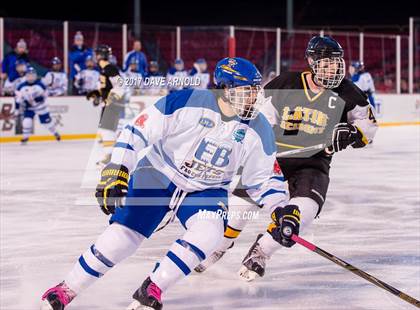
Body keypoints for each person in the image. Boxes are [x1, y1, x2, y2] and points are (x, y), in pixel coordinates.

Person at [40, 57, 288, 310]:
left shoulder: (260, 129)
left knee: (210, 232)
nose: (253, 97)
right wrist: (118, 167)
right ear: (225, 89)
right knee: (122, 237)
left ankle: (154, 286)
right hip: (158, 173)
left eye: (256, 90)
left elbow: (263, 179)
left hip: (207, 189)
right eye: (247, 91)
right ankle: (66, 289)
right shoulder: (188, 101)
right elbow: (137, 131)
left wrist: (279, 210)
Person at [195, 36, 378, 282]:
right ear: (312, 63)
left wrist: (353, 133)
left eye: (336, 63)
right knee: (239, 210)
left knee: (304, 212)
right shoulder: (288, 83)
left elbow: (369, 125)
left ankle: (261, 251)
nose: (333, 69)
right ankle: (220, 245)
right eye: (326, 63)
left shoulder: (348, 92)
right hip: (273, 158)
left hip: (313, 164)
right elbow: (260, 114)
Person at [85, 45, 125, 166]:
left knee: (107, 131)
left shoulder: (110, 68)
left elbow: (121, 85)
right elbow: (104, 88)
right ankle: (111, 156)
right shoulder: (103, 70)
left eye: (97, 54)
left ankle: (111, 157)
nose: (95, 56)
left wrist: (111, 99)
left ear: (101, 55)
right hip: (107, 105)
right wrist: (97, 95)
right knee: (105, 131)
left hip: (112, 106)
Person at [14, 67, 61, 144]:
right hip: (29, 108)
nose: (31, 77)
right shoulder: (21, 87)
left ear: (35, 76)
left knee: (47, 123)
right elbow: (17, 99)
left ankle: (55, 133)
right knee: (26, 121)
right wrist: (17, 109)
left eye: (33, 75)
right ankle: (25, 137)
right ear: (26, 76)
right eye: (29, 75)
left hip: (41, 107)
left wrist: (41, 98)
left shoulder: (40, 85)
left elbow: (46, 94)